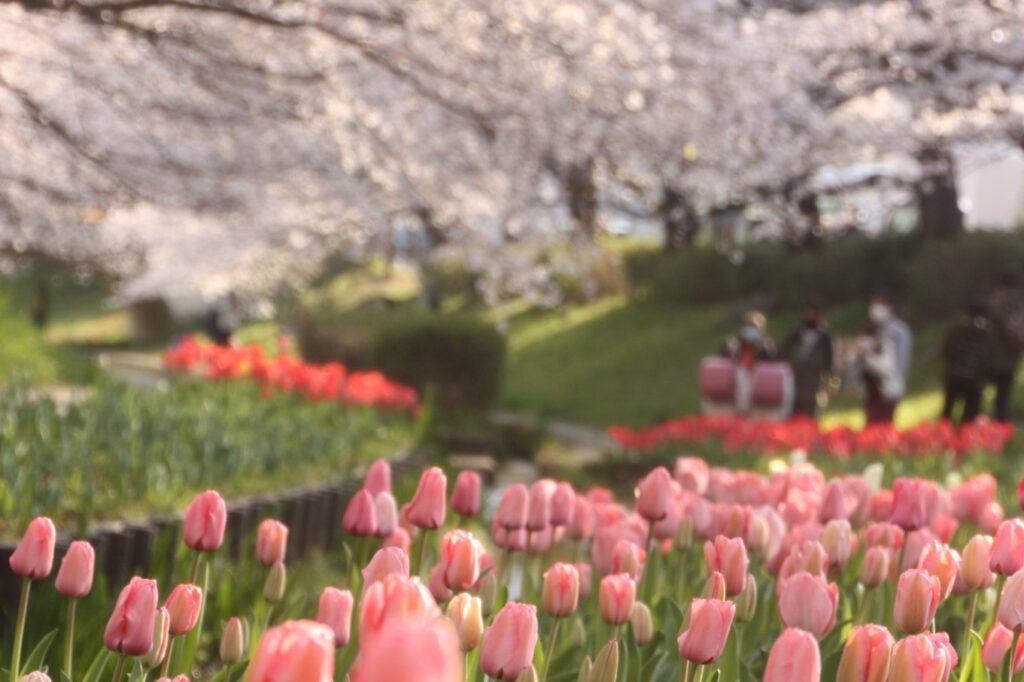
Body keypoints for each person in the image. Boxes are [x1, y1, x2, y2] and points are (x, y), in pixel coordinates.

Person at [940, 299, 996, 424]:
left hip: (954, 375)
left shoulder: (957, 326)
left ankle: (942, 436)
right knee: (969, 415)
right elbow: (988, 355)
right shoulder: (987, 330)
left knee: (947, 410)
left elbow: (946, 349)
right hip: (974, 379)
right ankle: (965, 439)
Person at [780, 302, 834, 418]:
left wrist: (828, 377)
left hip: (814, 374)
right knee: (791, 401)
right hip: (793, 373)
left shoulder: (825, 335)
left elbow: (830, 357)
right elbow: (784, 351)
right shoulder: (795, 332)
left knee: (811, 402)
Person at [866, 295, 912, 420]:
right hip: (874, 381)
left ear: (888, 307)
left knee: (885, 418)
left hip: (890, 381)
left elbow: (902, 357)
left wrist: (899, 379)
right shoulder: (875, 329)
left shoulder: (899, 330)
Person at [720, 311, 775, 415]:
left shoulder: (766, 344)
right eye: (748, 325)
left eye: (754, 326)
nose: (751, 329)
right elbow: (724, 354)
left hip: (760, 378)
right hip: (738, 375)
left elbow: (772, 358)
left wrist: (762, 346)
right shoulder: (734, 342)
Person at [987, 272, 1024, 422]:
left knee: (977, 394)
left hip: (991, 355)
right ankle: (1000, 425)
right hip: (1011, 356)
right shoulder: (1020, 302)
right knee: (1003, 394)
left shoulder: (996, 301)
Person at [854, 323, 905, 424]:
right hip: (872, 392)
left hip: (886, 392)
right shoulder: (861, 353)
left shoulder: (884, 346)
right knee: (872, 420)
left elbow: (883, 368)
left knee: (883, 421)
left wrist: (866, 357)